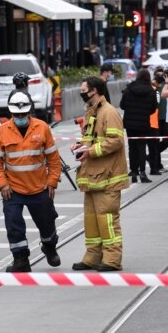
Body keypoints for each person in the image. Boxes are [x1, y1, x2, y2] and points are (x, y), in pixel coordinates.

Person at [0, 92, 62, 272]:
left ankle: (49, 246)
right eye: (17, 115)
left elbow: (53, 158)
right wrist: (2, 184)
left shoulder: (42, 127)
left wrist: (52, 181)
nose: (20, 118)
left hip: (39, 187)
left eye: (23, 115)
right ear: (11, 113)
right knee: (13, 223)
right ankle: (21, 258)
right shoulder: (2, 131)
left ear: (29, 112)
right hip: (13, 189)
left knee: (47, 221)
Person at [70, 76, 129, 272]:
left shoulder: (109, 113)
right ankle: (93, 257)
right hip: (93, 177)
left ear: (94, 90)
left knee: (107, 219)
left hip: (108, 177)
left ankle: (112, 259)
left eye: (83, 89)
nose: (81, 92)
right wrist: (80, 147)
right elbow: (91, 139)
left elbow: (116, 141)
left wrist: (91, 150)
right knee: (92, 219)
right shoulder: (91, 112)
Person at [120, 69, 158, 183]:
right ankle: (142, 172)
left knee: (132, 147)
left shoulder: (129, 89)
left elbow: (122, 105)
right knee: (142, 147)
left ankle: (134, 172)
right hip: (143, 123)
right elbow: (153, 108)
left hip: (130, 123)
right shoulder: (151, 91)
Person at [147, 71, 167, 175]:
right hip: (155, 119)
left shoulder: (164, 86)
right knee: (154, 142)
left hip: (164, 118)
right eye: (158, 75)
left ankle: (151, 157)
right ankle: (157, 164)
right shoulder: (151, 87)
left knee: (167, 139)